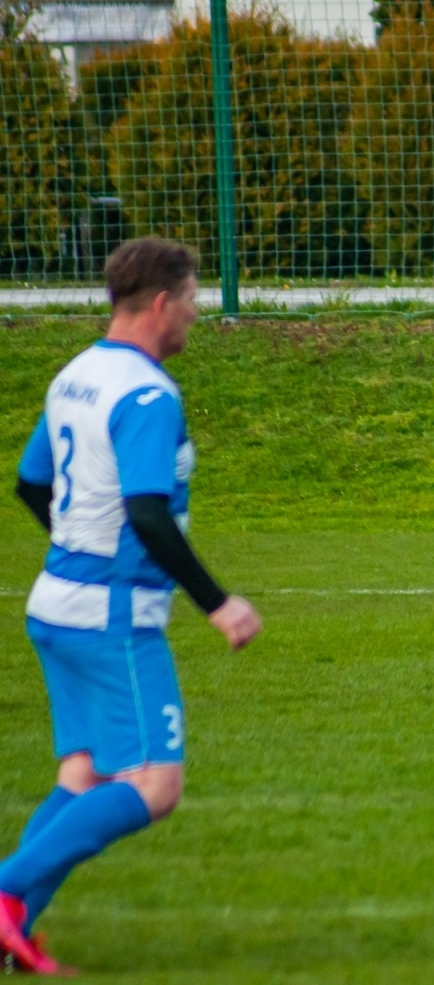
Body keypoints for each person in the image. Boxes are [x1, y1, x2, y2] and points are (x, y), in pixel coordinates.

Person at [0, 238, 262, 975]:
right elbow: (146, 513)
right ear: (159, 305)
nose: (194, 318)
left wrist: (78, 543)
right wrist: (218, 603)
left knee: (83, 776)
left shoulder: (74, 376)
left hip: (56, 602)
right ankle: (4, 893)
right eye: (191, 303)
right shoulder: (147, 394)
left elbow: (29, 483)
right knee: (154, 784)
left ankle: (13, 926)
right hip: (112, 618)